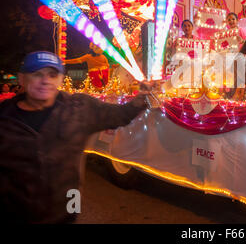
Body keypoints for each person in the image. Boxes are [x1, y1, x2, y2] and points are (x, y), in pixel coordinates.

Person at [0, 51, 158, 224]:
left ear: (60, 79)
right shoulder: (5, 118)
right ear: (22, 79)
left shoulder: (79, 108)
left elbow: (119, 115)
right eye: (37, 74)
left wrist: (140, 99)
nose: (45, 81)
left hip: (64, 214)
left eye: (52, 75)